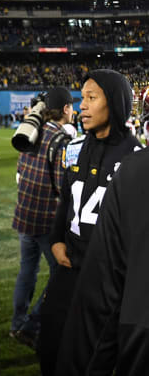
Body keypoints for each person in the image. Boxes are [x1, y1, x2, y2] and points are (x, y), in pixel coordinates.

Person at [38, 70, 141, 376]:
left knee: (92, 358)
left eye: (91, 98)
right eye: (81, 98)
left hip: (107, 282)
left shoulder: (135, 159)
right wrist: (56, 239)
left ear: (116, 103)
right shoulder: (74, 149)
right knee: (51, 346)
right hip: (69, 270)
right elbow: (67, 203)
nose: (82, 105)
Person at [54, 146, 149, 375]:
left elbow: (104, 303)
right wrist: (57, 236)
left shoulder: (135, 168)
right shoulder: (131, 168)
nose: (84, 107)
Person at [10, 87, 76, 349]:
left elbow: (20, 171)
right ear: (66, 109)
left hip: (24, 214)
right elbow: (63, 186)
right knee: (62, 274)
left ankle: (17, 324)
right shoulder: (59, 139)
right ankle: (32, 325)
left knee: (27, 271)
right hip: (46, 219)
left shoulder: (31, 132)